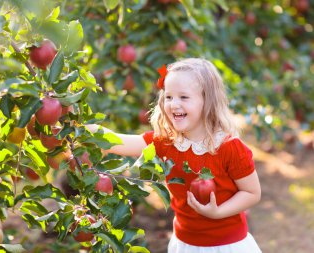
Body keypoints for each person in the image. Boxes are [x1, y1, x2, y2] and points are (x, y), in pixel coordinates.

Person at [88, 58, 262, 253]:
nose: (173, 104)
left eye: (184, 97)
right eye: (169, 97)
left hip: (227, 245)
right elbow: (118, 142)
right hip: (185, 244)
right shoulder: (166, 142)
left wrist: (218, 212)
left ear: (207, 101)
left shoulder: (229, 148)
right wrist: (88, 130)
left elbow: (252, 193)